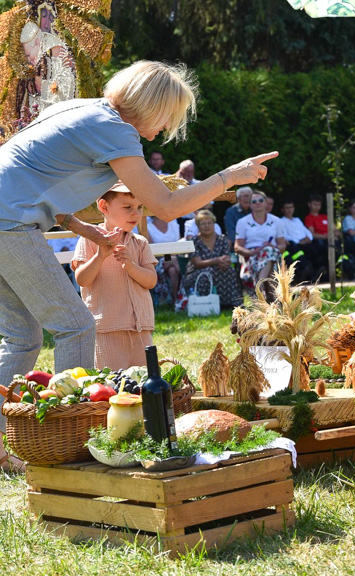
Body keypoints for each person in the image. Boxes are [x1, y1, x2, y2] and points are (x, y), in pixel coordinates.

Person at [0, 60, 276, 469]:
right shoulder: (115, 130)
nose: (166, 129)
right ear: (152, 104)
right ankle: (74, 451)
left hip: (8, 217)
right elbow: (165, 207)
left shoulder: (79, 110)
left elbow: (38, 182)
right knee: (75, 325)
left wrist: (91, 233)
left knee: (23, 339)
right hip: (8, 224)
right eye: (169, 117)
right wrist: (230, 177)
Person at [71, 185, 157, 369]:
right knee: (112, 385)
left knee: (145, 383)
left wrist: (131, 266)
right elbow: (82, 280)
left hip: (141, 329)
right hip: (107, 329)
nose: (135, 213)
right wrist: (100, 255)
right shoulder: (89, 240)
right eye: (128, 207)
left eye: (139, 207)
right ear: (104, 207)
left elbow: (151, 281)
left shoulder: (140, 243)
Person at [182, 209, 243, 309]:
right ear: (198, 226)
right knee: (208, 272)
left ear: (214, 224)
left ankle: (230, 304)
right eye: (203, 224)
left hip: (219, 267)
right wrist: (217, 260)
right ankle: (205, 305)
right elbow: (198, 263)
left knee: (230, 271)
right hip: (197, 271)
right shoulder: (193, 241)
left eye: (209, 223)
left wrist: (225, 262)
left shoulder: (222, 239)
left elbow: (226, 257)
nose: (207, 226)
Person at [235, 190, 285, 292]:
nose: (257, 203)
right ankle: (273, 296)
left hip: (273, 254)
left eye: (261, 200)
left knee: (269, 251)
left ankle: (260, 284)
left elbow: (282, 246)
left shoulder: (276, 221)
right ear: (250, 205)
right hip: (251, 257)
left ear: (265, 203)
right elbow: (237, 247)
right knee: (271, 263)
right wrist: (251, 252)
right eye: (254, 201)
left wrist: (273, 247)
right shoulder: (242, 222)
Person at [145, 215, 181, 304]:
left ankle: (175, 300)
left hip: (175, 259)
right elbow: (150, 251)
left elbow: (180, 244)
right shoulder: (148, 227)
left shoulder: (174, 224)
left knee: (173, 271)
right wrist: (169, 254)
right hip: (157, 261)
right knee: (173, 259)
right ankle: (185, 278)